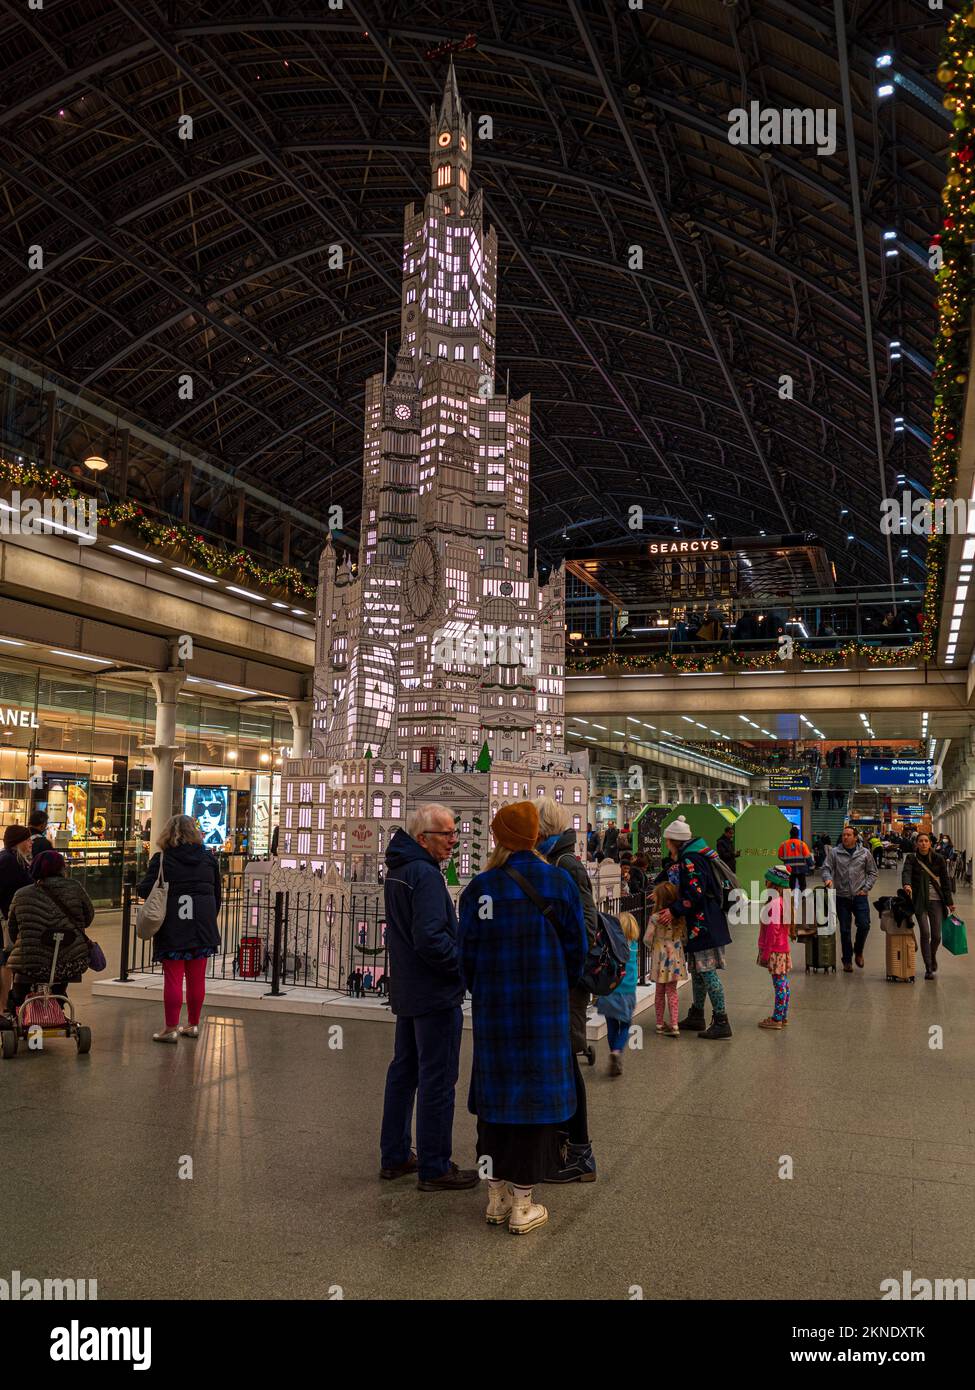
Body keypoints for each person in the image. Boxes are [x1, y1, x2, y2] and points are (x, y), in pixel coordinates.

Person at [458, 801, 588, 1234]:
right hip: (544, 1012)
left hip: (497, 1013)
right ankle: (523, 1204)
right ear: (535, 837)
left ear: (498, 838)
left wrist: (487, 989)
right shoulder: (557, 884)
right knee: (535, 1104)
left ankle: (494, 1198)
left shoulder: (479, 890)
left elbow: (467, 958)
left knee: (495, 1105)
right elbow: (578, 950)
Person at [379, 803, 476, 1192]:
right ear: (423, 838)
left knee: (404, 1073)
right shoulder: (427, 876)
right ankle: (435, 1166)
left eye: (455, 833)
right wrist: (460, 967)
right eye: (447, 834)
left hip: (408, 989)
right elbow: (432, 939)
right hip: (434, 994)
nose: (454, 841)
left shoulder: (399, 871)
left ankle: (396, 1154)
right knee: (437, 1079)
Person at [534, 797, 598, 1182]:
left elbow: (585, 925)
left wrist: (567, 969)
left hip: (567, 984)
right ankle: (561, 1143)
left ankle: (581, 1151)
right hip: (562, 981)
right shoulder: (556, 862)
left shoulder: (565, 866)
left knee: (566, 1062)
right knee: (560, 1060)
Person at [137, 813, 221, 1043]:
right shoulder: (209, 859)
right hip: (202, 926)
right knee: (197, 978)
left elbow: (145, 891)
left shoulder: (162, 859)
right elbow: (217, 896)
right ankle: (193, 1025)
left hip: (174, 926)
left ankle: (170, 1028)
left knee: (173, 978)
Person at [656, 815, 733, 1038]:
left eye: (668, 841)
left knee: (708, 973)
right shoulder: (696, 855)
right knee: (699, 973)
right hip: (705, 923)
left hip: (704, 924)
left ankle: (722, 1020)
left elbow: (695, 895)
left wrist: (673, 910)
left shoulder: (690, 860)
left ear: (674, 841)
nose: (666, 845)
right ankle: (697, 1014)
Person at [5, 849, 94, 1014]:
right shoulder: (75, 888)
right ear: (62, 868)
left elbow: (13, 929)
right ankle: (58, 1001)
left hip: (30, 963)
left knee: (20, 981)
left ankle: (19, 1005)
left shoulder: (22, 894)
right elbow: (88, 917)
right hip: (71, 962)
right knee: (59, 973)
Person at [821, 825, 877, 972]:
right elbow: (826, 867)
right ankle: (847, 960)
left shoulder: (864, 853)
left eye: (848, 835)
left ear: (855, 837)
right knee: (845, 930)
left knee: (864, 925)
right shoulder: (835, 852)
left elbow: (872, 872)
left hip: (860, 896)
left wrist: (866, 889)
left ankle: (858, 952)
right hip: (842, 896)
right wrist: (827, 879)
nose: (845, 837)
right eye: (844, 835)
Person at [901, 831, 953, 980]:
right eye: (920, 841)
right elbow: (906, 872)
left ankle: (932, 955)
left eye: (926, 841)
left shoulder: (939, 859)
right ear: (916, 843)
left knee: (936, 936)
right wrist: (907, 884)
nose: (923, 843)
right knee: (925, 932)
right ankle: (928, 966)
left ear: (930, 843)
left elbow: (945, 881)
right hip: (919, 900)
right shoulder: (912, 858)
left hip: (936, 901)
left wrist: (949, 902)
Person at [596, 910, 639, 1073]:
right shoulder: (634, 945)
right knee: (626, 1025)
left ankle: (612, 1050)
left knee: (611, 1025)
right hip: (627, 992)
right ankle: (617, 1051)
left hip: (609, 991)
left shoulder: (610, 946)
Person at [645, 882, 687, 1038]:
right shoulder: (679, 918)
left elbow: (647, 939)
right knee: (672, 992)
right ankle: (674, 1024)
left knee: (659, 992)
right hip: (675, 959)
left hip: (660, 960)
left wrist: (654, 943)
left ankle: (659, 1024)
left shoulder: (655, 918)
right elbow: (684, 937)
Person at [0, 825, 34, 1016]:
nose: (31, 843)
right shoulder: (9, 861)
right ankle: (3, 1005)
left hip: (10, 918)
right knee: (8, 962)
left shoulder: (14, 859)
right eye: (27, 840)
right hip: (7, 920)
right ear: (18, 842)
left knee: (8, 961)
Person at [757, 866, 793, 1031]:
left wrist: (766, 952)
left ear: (773, 882)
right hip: (783, 949)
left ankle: (777, 1019)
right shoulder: (784, 901)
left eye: (767, 879)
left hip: (775, 950)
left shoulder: (775, 903)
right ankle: (782, 1016)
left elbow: (773, 930)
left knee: (779, 985)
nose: (765, 881)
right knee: (783, 984)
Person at [778, 824, 813, 893]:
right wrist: (811, 866)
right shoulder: (802, 844)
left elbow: (780, 856)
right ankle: (802, 899)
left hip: (789, 869)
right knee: (802, 886)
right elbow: (808, 857)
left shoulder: (784, 844)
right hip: (801, 869)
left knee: (790, 886)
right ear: (798, 834)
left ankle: (790, 901)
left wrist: (786, 860)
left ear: (790, 834)